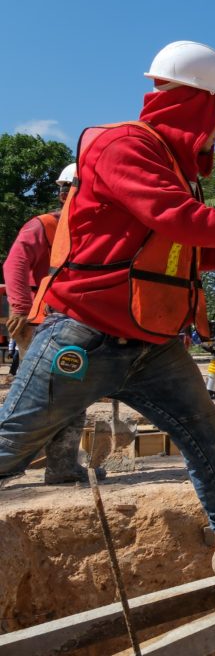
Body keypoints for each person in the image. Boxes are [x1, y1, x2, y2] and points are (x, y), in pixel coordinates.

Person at [0, 40, 215, 574]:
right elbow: (176, 218)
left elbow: (185, 251)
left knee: (208, 438)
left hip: (152, 343)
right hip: (84, 335)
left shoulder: (171, 166)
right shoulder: (123, 146)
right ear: (200, 105)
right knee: (11, 446)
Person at [2, 163, 105, 483]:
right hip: (43, 325)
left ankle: (61, 465)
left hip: (74, 326)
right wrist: (20, 309)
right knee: (37, 398)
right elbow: (15, 263)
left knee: (68, 394)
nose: (66, 194)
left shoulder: (93, 230)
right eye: (64, 189)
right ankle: (41, 464)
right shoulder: (44, 226)